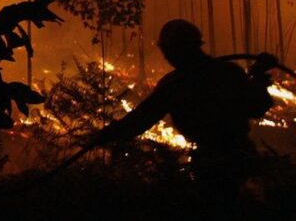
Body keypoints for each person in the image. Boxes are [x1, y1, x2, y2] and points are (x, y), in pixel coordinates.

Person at [96, 19, 276, 209]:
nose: (166, 56)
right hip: (241, 158)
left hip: (213, 163)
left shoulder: (176, 84)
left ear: (178, 49)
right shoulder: (228, 72)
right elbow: (257, 106)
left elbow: (142, 118)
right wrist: (258, 78)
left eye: (168, 50)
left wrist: (109, 134)